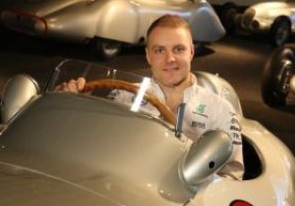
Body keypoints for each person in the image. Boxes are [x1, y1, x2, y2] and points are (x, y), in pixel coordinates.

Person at [57, 14, 244, 179]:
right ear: (148, 56)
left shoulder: (220, 110)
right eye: (159, 50)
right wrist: (75, 106)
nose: (170, 59)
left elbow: (231, 178)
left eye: (178, 49)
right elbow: (96, 144)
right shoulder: (123, 95)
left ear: (192, 52)